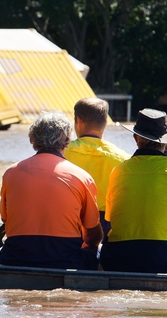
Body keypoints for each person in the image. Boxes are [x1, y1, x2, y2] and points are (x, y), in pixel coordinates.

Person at [100, 108, 167, 274]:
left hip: (119, 260)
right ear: (165, 141)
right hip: (165, 261)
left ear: (136, 139)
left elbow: (109, 218)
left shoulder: (118, 171)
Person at [0, 111, 103, 270]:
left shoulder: (10, 173)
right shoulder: (82, 177)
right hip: (65, 261)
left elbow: (6, 220)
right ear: (67, 140)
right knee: (99, 251)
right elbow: (92, 236)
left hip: (15, 259)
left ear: (33, 139)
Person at [64, 97, 130, 237]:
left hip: (70, 221)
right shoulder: (123, 158)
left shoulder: (62, 151)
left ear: (79, 121)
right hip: (107, 226)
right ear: (105, 123)